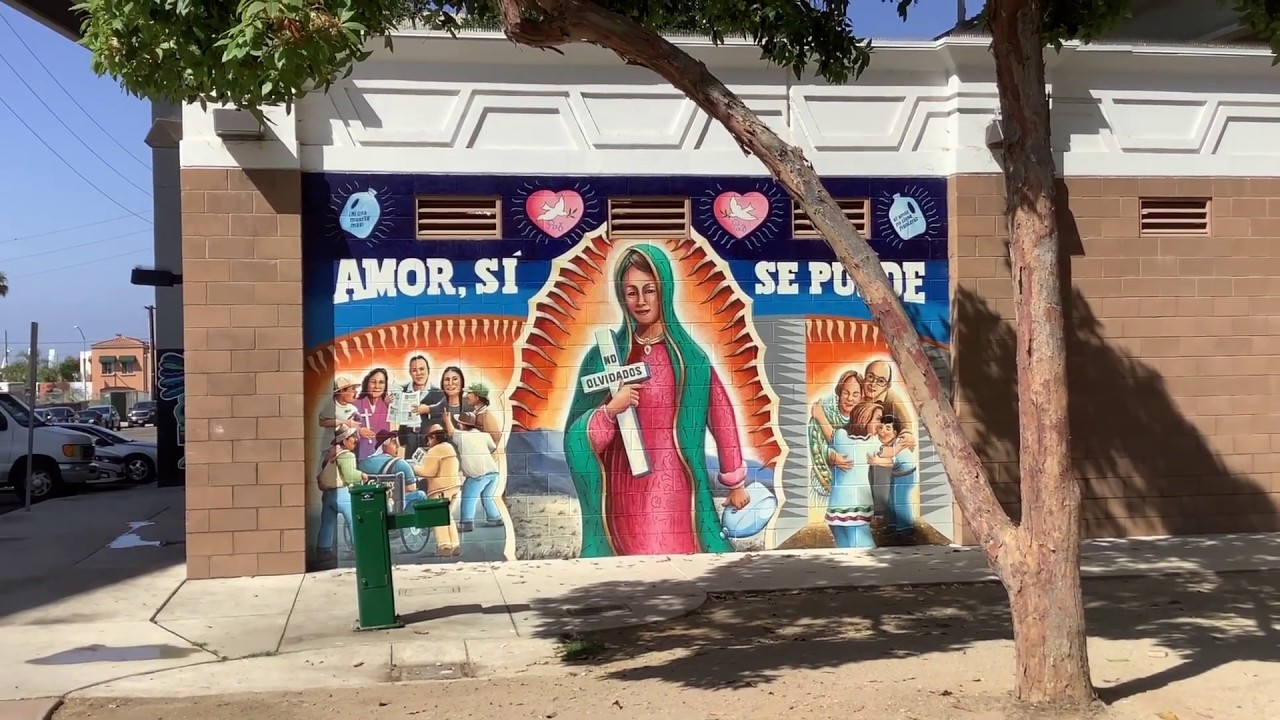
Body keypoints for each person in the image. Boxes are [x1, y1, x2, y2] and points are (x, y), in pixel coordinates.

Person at [564, 243, 750, 558]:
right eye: (631, 292)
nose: (641, 301)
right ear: (622, 297)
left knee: (675, 563)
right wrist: (610, 410)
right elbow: (575, 436)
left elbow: (721, 416)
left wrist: (735, 481)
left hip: (676, 486)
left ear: (664, 290)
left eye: (649, 290)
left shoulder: (690, 359)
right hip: (621, 490)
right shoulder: (603, 357)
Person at [825, 400, 884, 549]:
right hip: (856, 507)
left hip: (836, 507)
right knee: (864, 551)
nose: (880, 424)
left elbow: (827, 440)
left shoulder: (840, 436)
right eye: (878, 419)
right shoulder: (873, 443)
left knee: (845, 550)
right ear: (865, 417)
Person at [315, 426, 368, 568]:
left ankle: (323, 550)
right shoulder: (347, 455)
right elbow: (350, 476)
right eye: (353, 437)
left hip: (327, 494)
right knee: (353, 520)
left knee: (327, 522)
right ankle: (358, 549)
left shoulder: (329, 453)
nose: (356, 440)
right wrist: (361, 475)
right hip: (342, 492)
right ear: (345, 441)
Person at [444, 409, 502, 533]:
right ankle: (495, 517)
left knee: (468, 496)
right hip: (493, 473)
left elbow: (450, 432)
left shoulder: (461, 436)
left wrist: (446, 420)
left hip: (478, 475)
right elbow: (492, 447)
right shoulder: (484, 435)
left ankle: (467, 522)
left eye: (459, 423)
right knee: (487, 496)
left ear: (462, 424)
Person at [412, 424, 463, 557]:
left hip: (440, 488)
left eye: (428, 440)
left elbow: (428, 471)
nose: (428, 444)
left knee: (438, 518)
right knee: (448, 517)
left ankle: (444, 545)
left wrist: (414, 468)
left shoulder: (435, 451)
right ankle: (455, 543)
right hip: (454, 486)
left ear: (433, 437)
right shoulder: (449, 448)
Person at [868, 413, 919, 542]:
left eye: (887, 429)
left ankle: (905, 528)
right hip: (896, 475)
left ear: (895, 432)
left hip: (905, 476)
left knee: (900, 501)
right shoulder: (889, 445)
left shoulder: (901, 444)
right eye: (880, 428)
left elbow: (892, 461)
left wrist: (876, 461)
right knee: (891, 501)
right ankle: (892, 525)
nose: (882, 432)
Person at [315, 376, 360, 483]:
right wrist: (343, 422)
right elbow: (322, 421)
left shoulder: (353, 409)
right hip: (330, 446)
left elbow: (357, 425)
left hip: (346, 447)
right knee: (327, 476)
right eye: (352, 389)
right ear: (342, 392)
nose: (355, 392)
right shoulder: (331, 405)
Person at [354, 368, 393, 459]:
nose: (377, 386)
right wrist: (358, 431)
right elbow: (343, 428)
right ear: (367, 383)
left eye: (381, 382)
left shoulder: (387, 406)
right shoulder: (355, 404)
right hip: (358, 454)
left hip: (380, 456)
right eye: (373, 382)